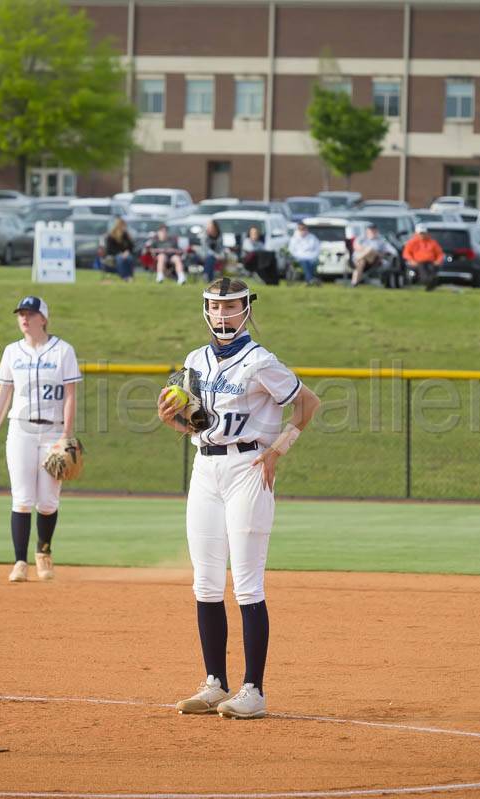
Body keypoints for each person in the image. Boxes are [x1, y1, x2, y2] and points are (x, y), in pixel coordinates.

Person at [157, 277, 321, 720]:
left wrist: (278, 449)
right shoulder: (194, 360)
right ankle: (214, 683)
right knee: (206, 582)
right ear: (205, 309)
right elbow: (195, 424)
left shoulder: (260, 360)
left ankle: (254, 690)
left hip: (249, 468)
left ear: (247, 308)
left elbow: (309, 403)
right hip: (205, 468)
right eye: (215, 306)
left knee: (247, 584)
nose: (222, 315)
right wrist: (172, 421)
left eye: (231, 307)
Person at [0, 296, 83, 582]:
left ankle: (44, 552)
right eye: (21, 314)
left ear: (44, 319)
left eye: (30, 313)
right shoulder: (12, 351)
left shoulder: (63, 351)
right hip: (20, 430)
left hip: (53, 430)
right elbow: (4, 394)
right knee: (23, 498)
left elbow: (71, 395)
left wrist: (66, 435)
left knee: (48, 501)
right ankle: (19, 562)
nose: (24, 318)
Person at [402, 225, 446, 290]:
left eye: (423, 233)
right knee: (423, 271)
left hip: (431, 262)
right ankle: (428, 282)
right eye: (421, 233)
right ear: (417, 233)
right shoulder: (412, 242)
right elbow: (406, 253)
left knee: (432, 270)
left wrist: (438, 261)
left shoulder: (432, 242)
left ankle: (431, 283)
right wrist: (411, 260)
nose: (422, 235)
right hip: (418, 262)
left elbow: (440, 254)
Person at [287, 222, 322, 286]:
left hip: (311, 257)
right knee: (304, 262)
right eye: (301, 229)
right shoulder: (294, 238)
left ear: (306, 229)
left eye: (304, 229)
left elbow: (318, 249)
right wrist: (299, 256)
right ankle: (310, 279)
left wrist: (313, 256)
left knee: (312, 262)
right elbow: (291, 250)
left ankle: (309, 280)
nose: (303, 231)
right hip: (299, 258)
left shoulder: (312, 237)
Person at [104, 217, 137, 282]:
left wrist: (127, 251)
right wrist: (120, 253)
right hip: (114, 255)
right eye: (123, 226)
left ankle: (130, 276)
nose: (124, 228)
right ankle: (124, 277)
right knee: (121, 259)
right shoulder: (111, 236)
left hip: (125, 254)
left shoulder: (125, 235)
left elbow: (131, 247)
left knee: (129, 258)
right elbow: (109, 249)